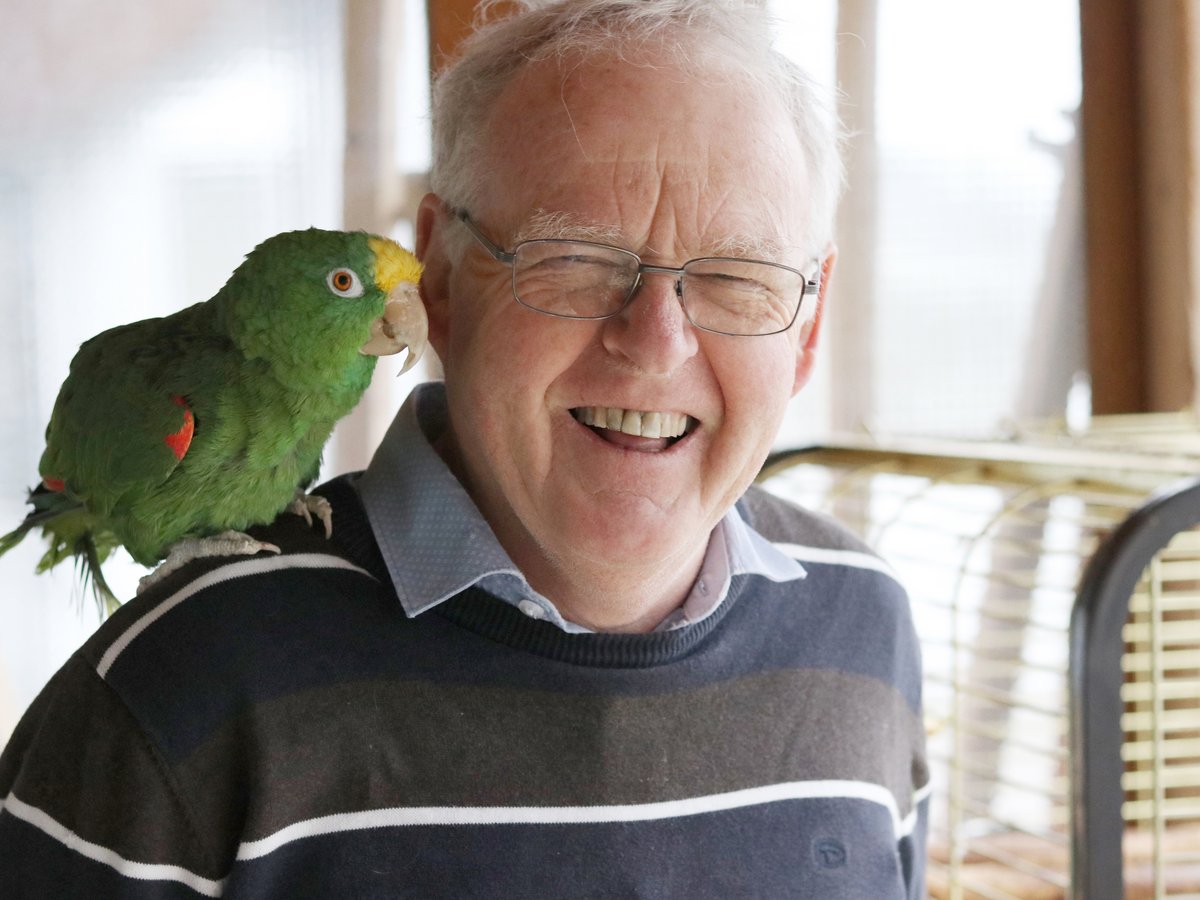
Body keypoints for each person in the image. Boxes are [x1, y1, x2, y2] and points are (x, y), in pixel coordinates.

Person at [0, 0, 929, 896]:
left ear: (808, 328)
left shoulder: (866, 624)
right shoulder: (176, 685)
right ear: (440, 279)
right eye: (577, 259)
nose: (655, 344)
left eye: (736, 276)